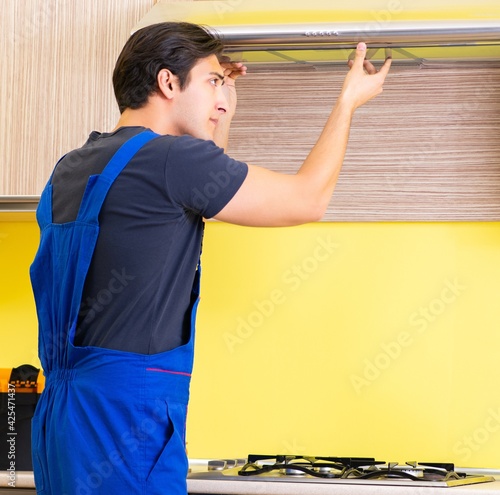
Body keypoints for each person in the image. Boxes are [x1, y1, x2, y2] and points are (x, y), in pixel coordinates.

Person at [29, 21, 391, 495]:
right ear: (167, 82)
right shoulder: (172, 161)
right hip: (128, 415)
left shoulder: (72, 166)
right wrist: (348, 101)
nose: (222, 94)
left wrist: (222, 107)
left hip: (62, 416)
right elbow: (307, 200)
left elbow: (203, 191)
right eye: (212, 81)